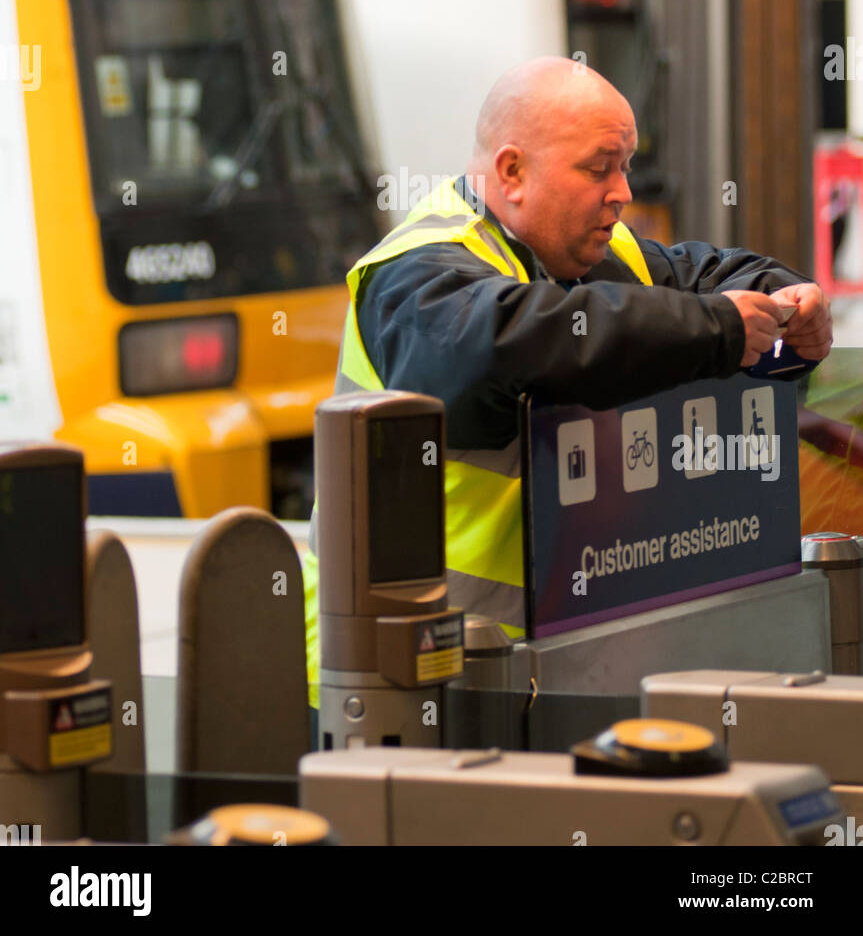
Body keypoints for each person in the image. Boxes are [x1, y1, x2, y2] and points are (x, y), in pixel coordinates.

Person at [303, 57, 833, 703]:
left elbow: (706, 279)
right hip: (398, 677)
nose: (622, 192)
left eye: (626, 165)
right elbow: (507, 345)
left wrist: (786, 308)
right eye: (597, 167)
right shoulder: (416, 272)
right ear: (511, 172)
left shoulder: (595, 257)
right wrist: (715, 330)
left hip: (537, 667)